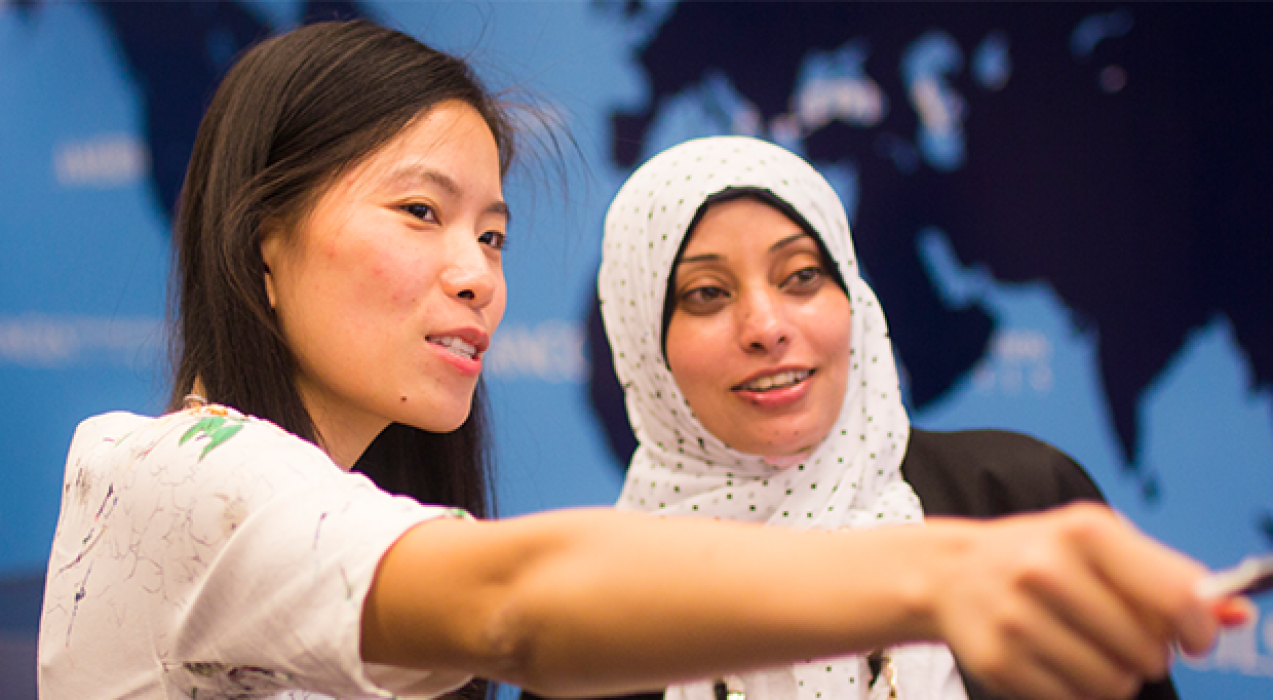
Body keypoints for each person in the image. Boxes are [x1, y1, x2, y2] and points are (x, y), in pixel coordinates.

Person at [39, 20, 1233, 700]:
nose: (477, 275)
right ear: (263, 243)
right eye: (420, 212)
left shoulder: (363, 522)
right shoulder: (173, 474)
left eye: (493, 235)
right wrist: (934, 579)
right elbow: (518, 600)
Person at [592, 134, 1192, 700]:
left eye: (802, 277)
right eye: (707, 293)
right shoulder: (594, 612)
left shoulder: (1018, 499)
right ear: (645, 343)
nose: (767, 328)